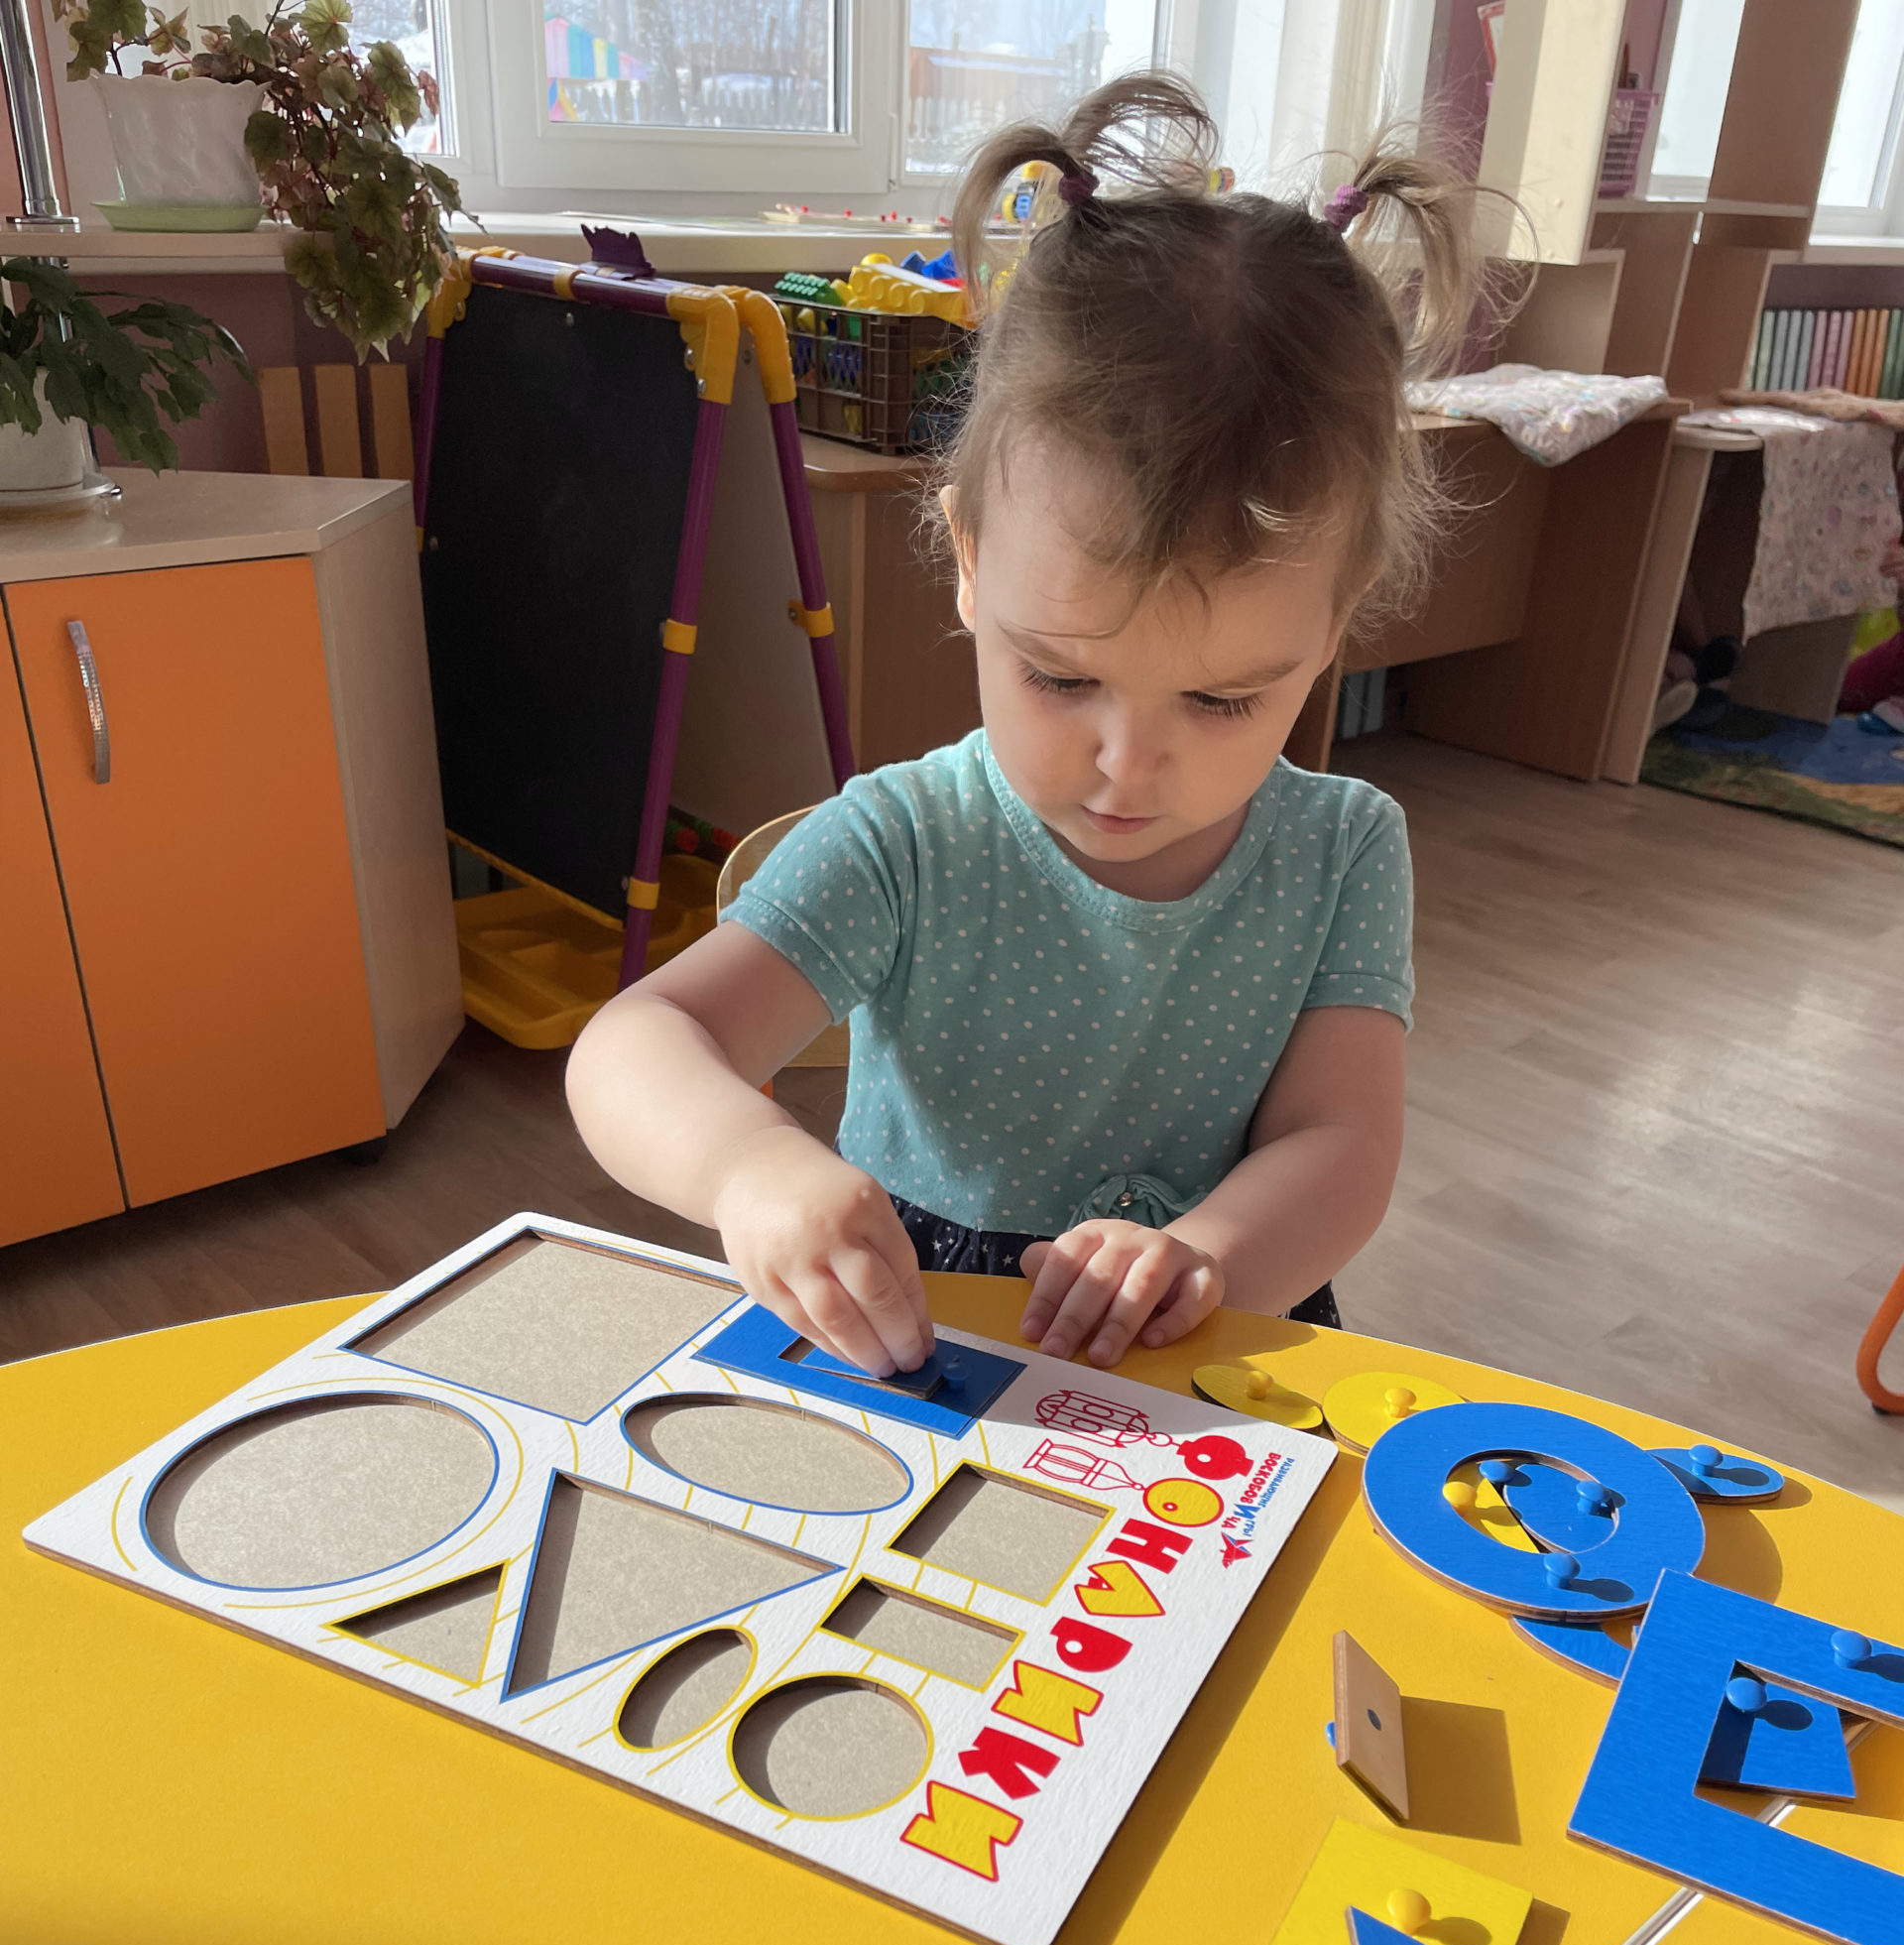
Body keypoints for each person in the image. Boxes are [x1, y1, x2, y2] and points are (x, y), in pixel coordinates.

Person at [568, 73, 1487, 1379]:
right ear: (968, 558)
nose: (1127, 763)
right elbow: (638, 1044)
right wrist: (749, 1165)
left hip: (1214, 1337)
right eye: (1060, 677)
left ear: (1337, 620)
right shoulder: (906, 841)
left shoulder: (1341, 852)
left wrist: (1211, 1257)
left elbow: (1339, 1143)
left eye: (1223, 699)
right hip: (918, 1331)